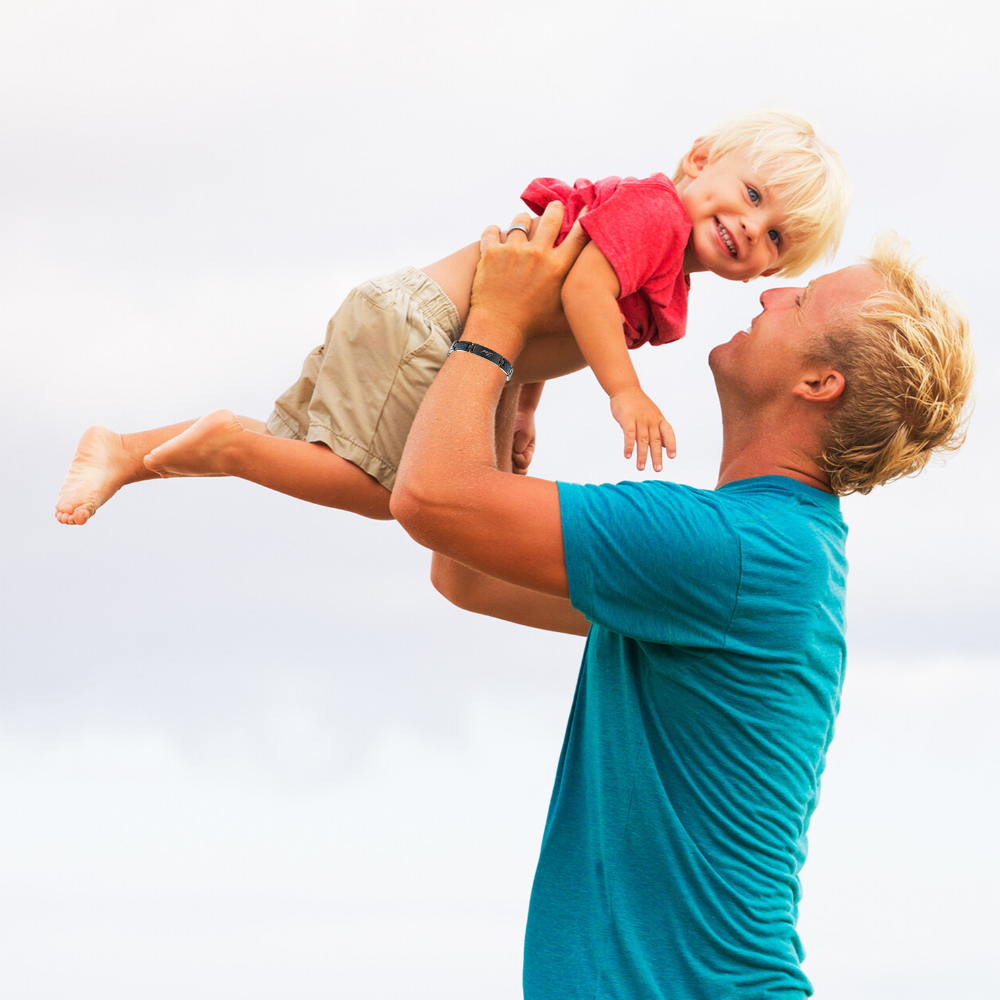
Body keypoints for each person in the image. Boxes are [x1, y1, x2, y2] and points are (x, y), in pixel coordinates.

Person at [390, 203, 975, 998]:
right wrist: (517, 368)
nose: (768, 295)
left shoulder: (729, 551)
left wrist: (497, 317)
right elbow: (467, 572)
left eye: (798, 302)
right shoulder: (766, 550)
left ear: (818, 383)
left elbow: (431, 497)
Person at [54, 110, 850, 526]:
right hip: (431, 330)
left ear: (772, 269)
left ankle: (126, 450)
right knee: (385, 492)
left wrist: (526, 405)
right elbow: (578, 293)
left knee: (301, 447)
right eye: (751, 195)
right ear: (700, 160)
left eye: (775, 236)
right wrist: (624, 391)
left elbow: (558, 299)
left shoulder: (666, 252)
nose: (752, 226)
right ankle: (222, 446)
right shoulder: (656, 217)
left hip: (425, 325)